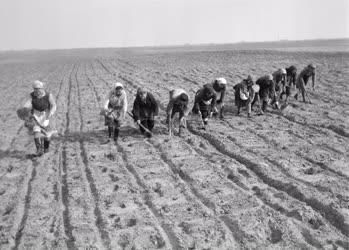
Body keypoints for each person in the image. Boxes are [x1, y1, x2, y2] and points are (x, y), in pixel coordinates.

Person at [23, 80, 56, 156]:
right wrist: (25, 109)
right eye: (35, 89)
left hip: (46, 116)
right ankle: (39, 150)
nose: (37, 90)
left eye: (38, 88)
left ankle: (46, 149)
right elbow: (27, 104)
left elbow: (54, 105)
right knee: (36, 132)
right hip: (35, 116)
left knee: (47, 135)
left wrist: (51, 112)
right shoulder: (31, 95)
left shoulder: (48, 95)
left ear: (42, 88)